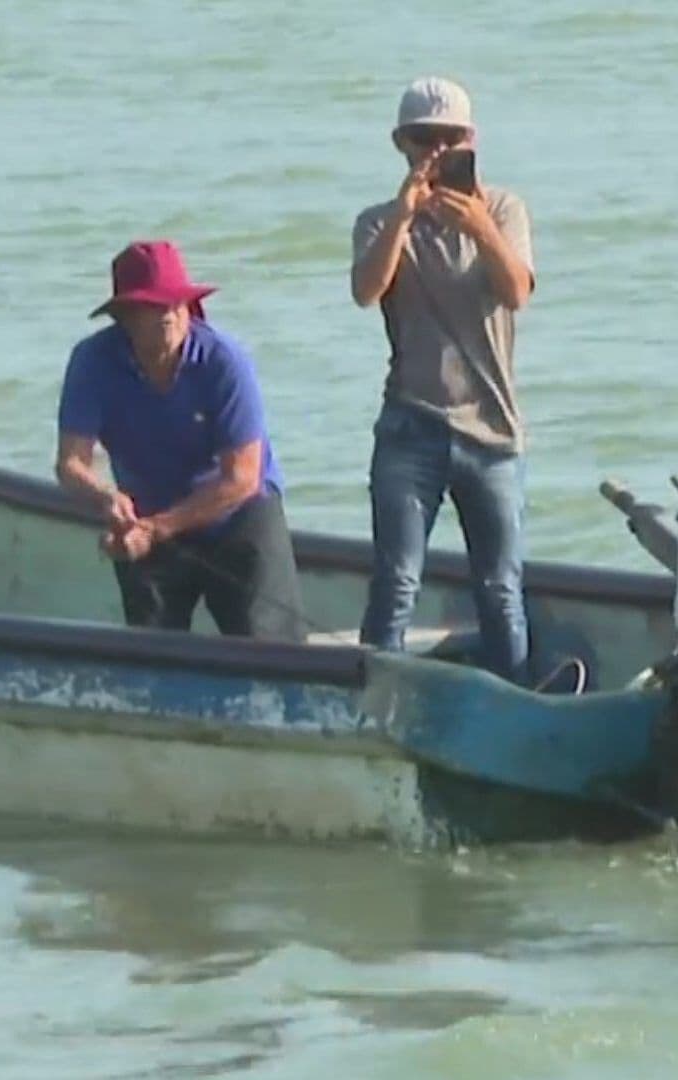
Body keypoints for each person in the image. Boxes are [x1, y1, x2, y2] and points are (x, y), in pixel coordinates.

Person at [349, 76, 537, 682]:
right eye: (422, 140)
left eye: (448, 139)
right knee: (397, 580)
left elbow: (515, 292)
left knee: (500, 587)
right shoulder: (380, 222)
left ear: (471, 141)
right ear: (400, 143)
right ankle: (375, 704)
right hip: (412, 424)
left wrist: (480, 227)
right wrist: (404, 215)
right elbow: (365, 291)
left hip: (492, 431)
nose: (434, 153)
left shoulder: (504, 210)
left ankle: (515, 708)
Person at [55, 240, 304, 642]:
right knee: (151, 649)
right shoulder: (92, 362)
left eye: (177, 303)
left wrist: (159, 528)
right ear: (125, 316)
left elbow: (242, 477)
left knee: (273, 649)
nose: (169, 315)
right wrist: (107, 500)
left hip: (237, 515)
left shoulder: (225, 362)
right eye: (154, 306)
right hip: (147, 515)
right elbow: (70, 463)